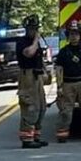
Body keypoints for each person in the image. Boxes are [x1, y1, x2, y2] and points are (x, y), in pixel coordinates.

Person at [16, 15, 48, 149]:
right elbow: (29, 53)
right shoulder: (22, 42)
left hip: (37, 76)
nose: (33, 31)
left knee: (41, 107)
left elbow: (39, 57)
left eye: (35, 28)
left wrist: (44, 72)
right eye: (31, 28)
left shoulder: (37, 43)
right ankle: (26, 140)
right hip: (27, 77)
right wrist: (36, 40)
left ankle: (36, 136)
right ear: (26, 29)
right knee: (30, 107)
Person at [55, 20, 81, 142]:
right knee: (66, 111)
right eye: (71, 34)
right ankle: (62, 134)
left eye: (76, 34)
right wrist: (59, 86)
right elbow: (59, 69)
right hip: (67, 84)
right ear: (68, 36)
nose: (74, 36)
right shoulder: (63, 52)